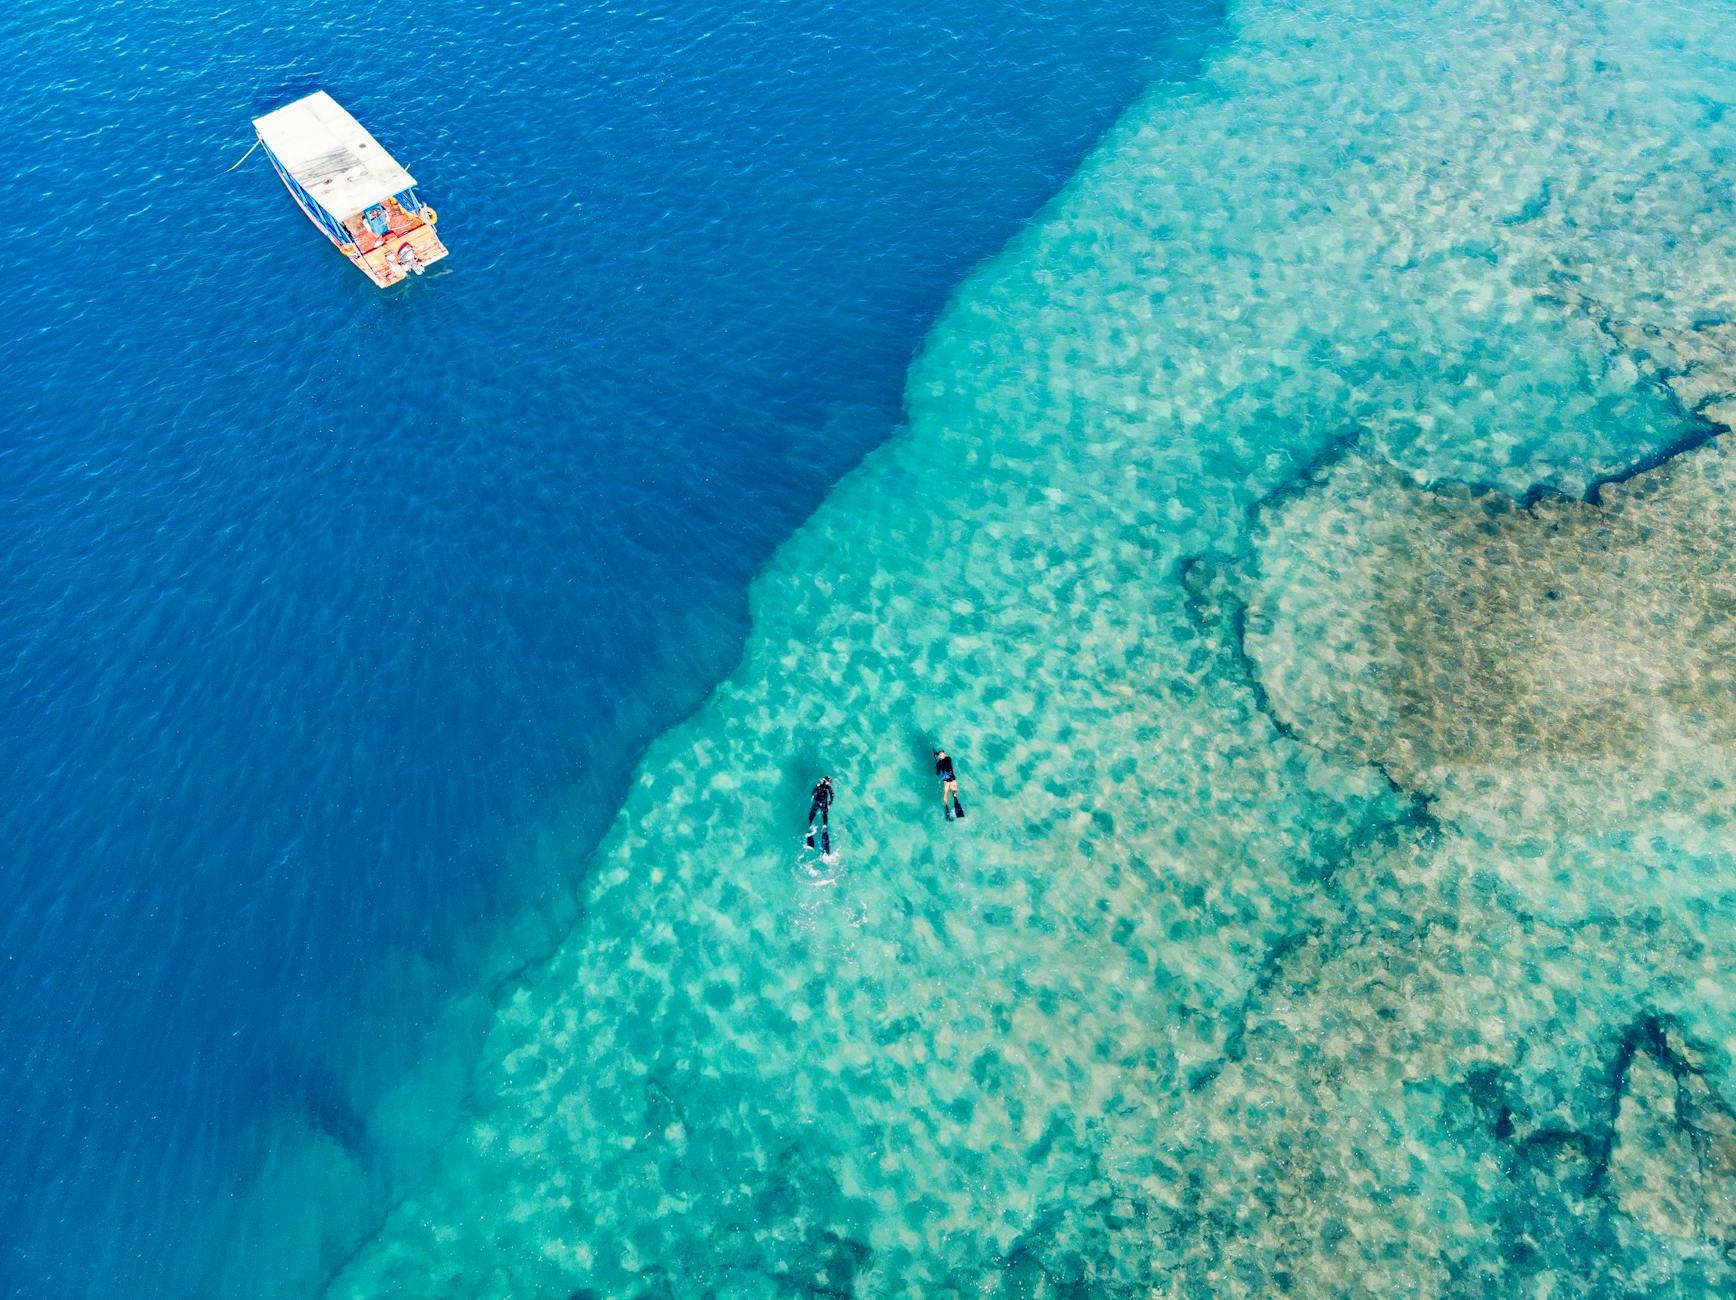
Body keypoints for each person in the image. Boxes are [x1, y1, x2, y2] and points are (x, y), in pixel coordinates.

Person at [934, 749, 965, 820]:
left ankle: (946, 806)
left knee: (947, 792)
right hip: (951, 778)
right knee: (953, 790)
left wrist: (937, 763)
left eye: (943, 754)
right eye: (942, 754)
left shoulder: (939, 763)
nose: (943, 755)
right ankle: (953, 798)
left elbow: (938, 773)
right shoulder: (948, 759)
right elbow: (946, 758)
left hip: (947, 780)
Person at [806, 776, 834, 852]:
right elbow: (813, 793)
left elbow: (832, 795)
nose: (828, 782)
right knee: (811, 815)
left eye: (829, 781)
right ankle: (811, 830)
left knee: (824, 814)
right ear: (825, 780)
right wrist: (813, 795)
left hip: (823, 804)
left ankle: (824, 827)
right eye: (827, 781)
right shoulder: (819, 786)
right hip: (817, 803)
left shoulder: (828, 788)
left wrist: (829, 804)